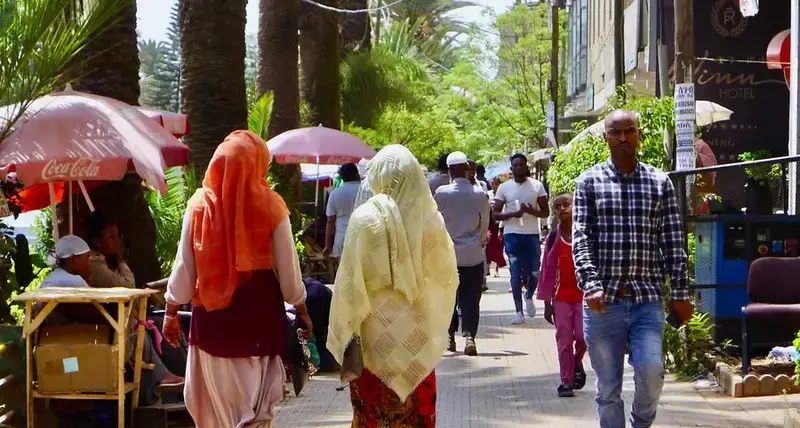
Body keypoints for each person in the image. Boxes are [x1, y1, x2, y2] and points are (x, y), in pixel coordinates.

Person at [162, 130, 312, 427]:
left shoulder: (198, 207)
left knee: (216, 414)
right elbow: (288, 270)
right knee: (255, 413)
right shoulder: (271, 206)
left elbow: (184, 266)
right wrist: (302, 308)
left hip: (212, 328)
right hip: (259, 324)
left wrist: (170, 310)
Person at [573, 110, 693, 428]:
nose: (623, 138)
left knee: (651, 371)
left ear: (639, 134)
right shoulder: (588, 183)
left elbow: (673, 242)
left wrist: (680, 293)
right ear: (606, 138)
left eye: (629, 131)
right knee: (608, 389)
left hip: (647, 300)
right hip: (603, 304)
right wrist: (590, 284)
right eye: (616, 132)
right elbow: (581, 239)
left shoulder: (659, 182)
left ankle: (641, 423)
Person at [328, 145, 458, 427]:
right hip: (417, 337)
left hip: (373, 338)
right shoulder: (431, 221)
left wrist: (345, 330)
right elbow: (445, 278)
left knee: (374, 416)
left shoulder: (364, 220)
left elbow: (349, 285)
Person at [434, 152, 489, 356]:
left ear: (449, 170)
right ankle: (469, 337)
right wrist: (479, 241)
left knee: (448, 297)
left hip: (447, 254)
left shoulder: (441, 193)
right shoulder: (479, 193)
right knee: (471, 297)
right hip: (473, 254)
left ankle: (449, 337)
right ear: (466, 167)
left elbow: (435, 223)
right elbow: (484, 225)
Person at [536, 193, 586, 398]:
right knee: (564, 340)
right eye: (558, 206)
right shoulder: (553, 237)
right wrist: (547, 302)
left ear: (575, 207)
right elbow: (547, 270)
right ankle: (565, 381)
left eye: (567, 204)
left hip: (584, 297)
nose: (562, 209)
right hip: (561, 298)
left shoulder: (585, 234)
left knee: (584, 338)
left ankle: (575, 363)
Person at [493, 153, 549, 324]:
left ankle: (529, 295)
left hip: (531, 235)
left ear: (526, 167)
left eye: (521, 165)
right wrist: (514, 214)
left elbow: (546, 212)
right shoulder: (504, 188)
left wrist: (531, 211)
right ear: (511, 169)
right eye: (515, 165)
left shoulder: (537, 186)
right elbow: (495, 215)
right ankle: (518, 311)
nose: (518, 168)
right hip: (512, 235)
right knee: (515, 273)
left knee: (534, 272)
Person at [84, 211, 134, 289]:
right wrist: (121, 261)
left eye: (117, 236)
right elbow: (129, 285)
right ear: (96, 241)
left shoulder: (102, 260)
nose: (118, 241)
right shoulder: (94, 264)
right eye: (111, 236)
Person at [323, 163, 361, 258]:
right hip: (362, 236)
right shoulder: (366, 191)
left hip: (342, 237)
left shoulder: (335, 194)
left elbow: (330, 221)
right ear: (357, 174)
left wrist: (327, 245)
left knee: (342, 271)